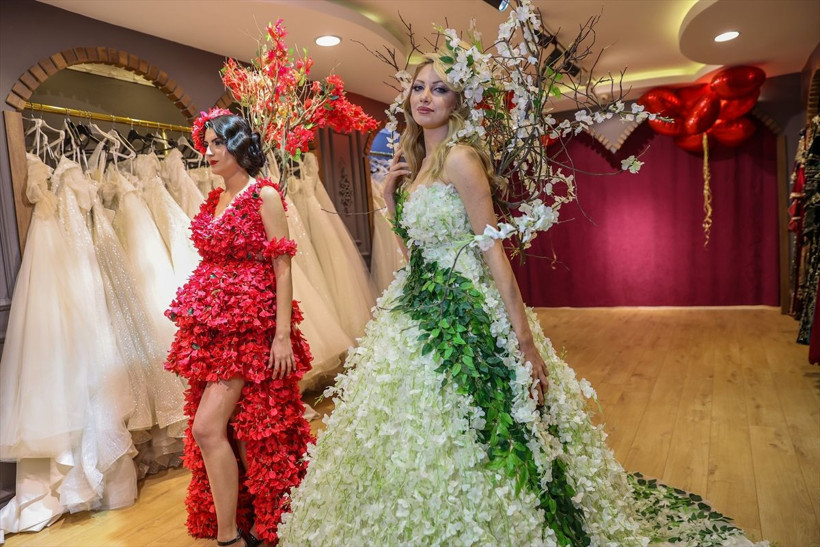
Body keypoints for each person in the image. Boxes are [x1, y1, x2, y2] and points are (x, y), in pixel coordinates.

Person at [276, 56, 763, 546]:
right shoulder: (420, 166)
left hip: (468, 307)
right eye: (418, 87)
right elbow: (411, 253)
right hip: (419, 305)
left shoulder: (462, 160)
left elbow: (492, 248)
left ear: (457, 101)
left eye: (439, 88)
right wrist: (388, 193)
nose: (425, 97)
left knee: (479, 424)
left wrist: (524, 341)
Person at [164, 111, 313, 547]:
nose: (207, 151)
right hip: (214, 327)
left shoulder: (263, 193)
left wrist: (281, 334)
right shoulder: (216, 199)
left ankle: (232, 536)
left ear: (238, 145)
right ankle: (248, 527)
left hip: (250, 327)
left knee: (211, 428)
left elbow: (282, 264)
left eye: (216, 144)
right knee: (240, 429)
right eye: (206, 144)